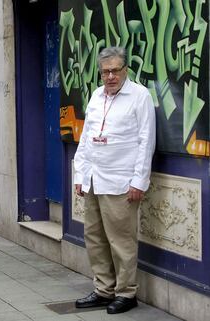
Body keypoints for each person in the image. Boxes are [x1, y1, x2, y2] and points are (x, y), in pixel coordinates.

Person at [73, 47, 156, 314]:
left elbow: (146, 141)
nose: (110, 76)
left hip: (122, 181)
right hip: (95, 179)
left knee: (122, 241)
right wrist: (80, 174)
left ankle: (126, 293)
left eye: (115, 71)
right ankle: (103, 290)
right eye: (105, 72)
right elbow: (86, 138)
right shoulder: (96, 96)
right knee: (94, 237)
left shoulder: (139, 96)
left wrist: (139, 181)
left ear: (125, 70)